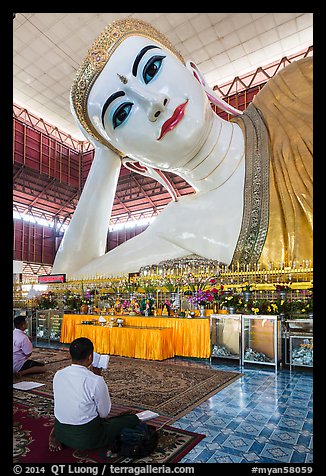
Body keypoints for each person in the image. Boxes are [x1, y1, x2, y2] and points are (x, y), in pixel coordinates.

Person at [52, 18, 312, 278]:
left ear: (196, 75)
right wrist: (106, 157)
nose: (153, 102)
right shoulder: (179, 226)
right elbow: (66, 280)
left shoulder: (296, 89)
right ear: (135, 163)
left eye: (151, 69)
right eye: (122, 113)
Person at [49, 337, 139, 452]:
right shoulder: (95, 380)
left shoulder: (59, 374)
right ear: (91, 357)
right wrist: (97, 375)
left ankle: (55, 434)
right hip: (88, 438)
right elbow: (104, 413)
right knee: (131, 420)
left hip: (61, 433)